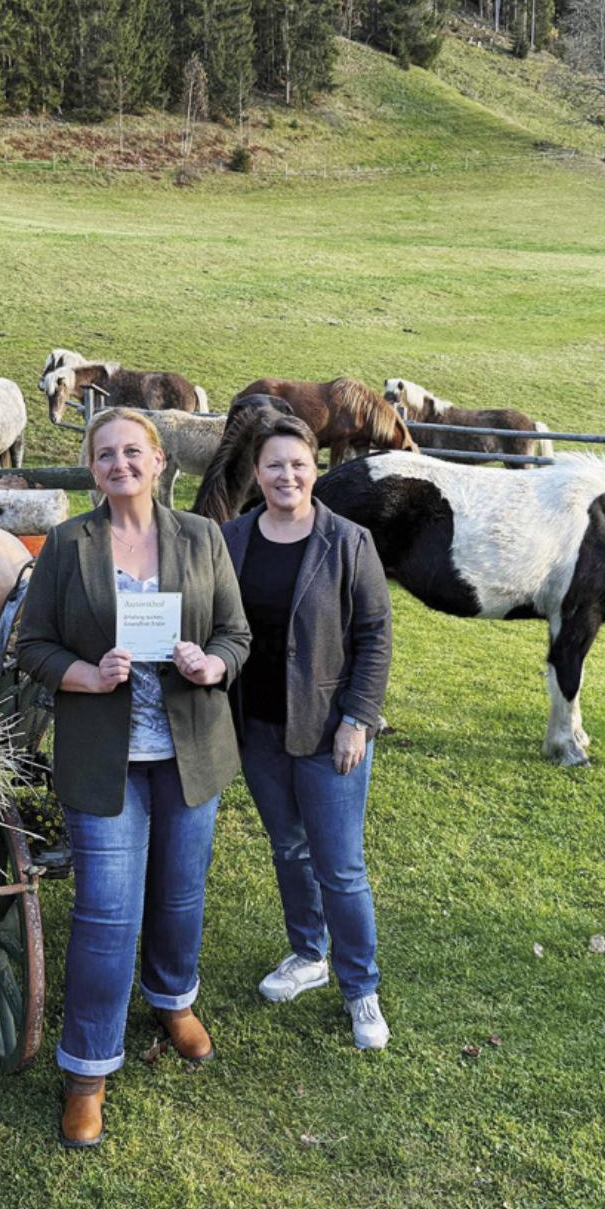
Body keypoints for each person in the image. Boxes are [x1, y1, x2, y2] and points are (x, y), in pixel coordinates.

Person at [16, 407, 251, 1148]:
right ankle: (88, 1069)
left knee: (181, 893)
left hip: (190, 752)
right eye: (105, 455)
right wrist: (84, 674)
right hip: (104, 757)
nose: (120, 464)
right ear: (93, 470)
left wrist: (212, 664)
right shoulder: (67, 544)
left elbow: (236, 633)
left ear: (158, 461)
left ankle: (173, 999)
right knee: (106, 914)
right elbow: (32, 645)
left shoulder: (202, 537)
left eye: (133, 452)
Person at [218, 415, 393, 1050]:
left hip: (327, 732)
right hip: (257, 729)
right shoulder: (233, 538)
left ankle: (360, 987)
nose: (286, 475)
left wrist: (358, 718)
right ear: (257, 473)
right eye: (273, 465)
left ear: (314, 468)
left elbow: (375, 637)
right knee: (288, 849)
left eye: (297, 463)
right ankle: (307, 956)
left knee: (341, 866)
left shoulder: (348, 542)